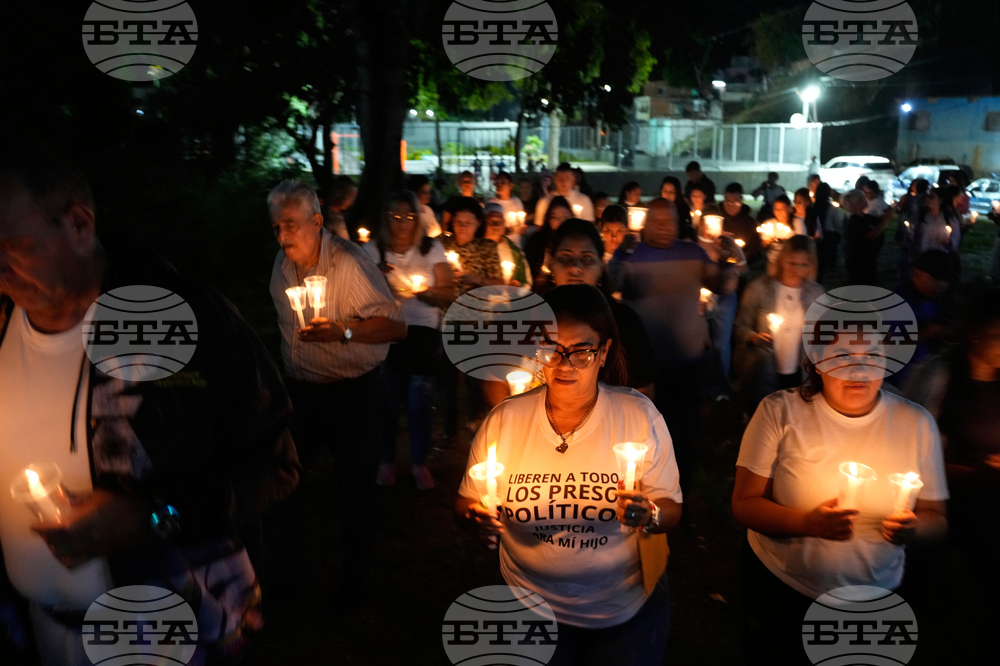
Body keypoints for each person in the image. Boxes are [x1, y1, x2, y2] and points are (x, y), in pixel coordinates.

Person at [0, 142, 300, 665]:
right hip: (37, 629)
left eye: (14, 245)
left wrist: (154, 516)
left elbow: (275, 466)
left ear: (78, 224)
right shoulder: (1, 324)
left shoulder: (184, 322)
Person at [454, 284, 682, 665]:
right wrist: (475, 516)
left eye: (582, 351)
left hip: (623, 613)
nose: (565, 364)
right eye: (552, 349)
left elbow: (670, 508)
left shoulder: (638, 416)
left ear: (604, 352)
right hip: (529, 610)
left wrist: (649, 515)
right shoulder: (506, 421)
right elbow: (465, 502)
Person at [732, 309, 949, 665]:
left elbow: (937, 519)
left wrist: (913, 528)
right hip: (784, 588)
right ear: (816, 361)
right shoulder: (779, 412)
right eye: (843, 356)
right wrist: (807, 524)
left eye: (873, 356)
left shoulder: (916, 424)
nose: (859, 370)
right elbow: (744, 503)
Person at [267, 179, 406, 602]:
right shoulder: (281, 265)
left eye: (291, 225)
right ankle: (286, 576)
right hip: (302, 395)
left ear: (316, 221)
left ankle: (355, 583)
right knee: (282, 483)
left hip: (353, 396)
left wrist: (344, 330)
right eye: (276, 226)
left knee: (353, 490)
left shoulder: (349, 264)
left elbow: (397, 327)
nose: (283, 234)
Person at [609, 198, 734, 491]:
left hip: (689, 363)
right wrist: (618, 255)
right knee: (642, 432)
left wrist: (727, 258)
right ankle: (643, 491)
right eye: (658, 221)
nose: (665, 227)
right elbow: (610, 285)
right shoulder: (631, 253)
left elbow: (723, 285)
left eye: (671, 221)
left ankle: (679, 493)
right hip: (643, 367)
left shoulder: (693, 253)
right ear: (646, 223)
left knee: (683, 431)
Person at [902, 288, 1000, 627]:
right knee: (915, 566)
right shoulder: (939, 378)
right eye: (998, 334)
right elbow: (908, 452)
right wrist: (975, 475)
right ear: (974, 334)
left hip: (989, 494)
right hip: (937, 498)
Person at [365, 191, 455, 490]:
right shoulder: (371, 250)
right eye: (396, 216)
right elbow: (357, 294)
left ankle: (419, 464)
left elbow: (448, 292)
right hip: (386, 332)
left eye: (409, 217)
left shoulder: (432, 250)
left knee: (419, 400)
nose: (403, 223)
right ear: (386, 218)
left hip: (423, 333)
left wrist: (424, 292)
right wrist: (375, 278)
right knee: (387, 402)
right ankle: (385, 462)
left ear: (418, 219)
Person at [550, 220, 656, 397]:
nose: (575, 268)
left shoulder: (624, 322)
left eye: (586, 259)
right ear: (551, 263)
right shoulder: (532, 318)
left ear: (601, 266)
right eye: (566, 257)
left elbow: (642, 393)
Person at [733, 235, 824, 415]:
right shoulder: (758, 288)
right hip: (763, 368)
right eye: (791, 262)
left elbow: (824, 336)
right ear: (782, 259)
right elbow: (740, 326)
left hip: (799, 372)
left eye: (803, 264)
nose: (796, 269)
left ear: (811, 265)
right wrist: (752, 336)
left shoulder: (816, 294)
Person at [695, 207, 748, 387]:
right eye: (709, 220)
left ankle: (720, 385)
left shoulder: (726, 243)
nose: (713, 225)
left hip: (725, 299)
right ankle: (700, 382)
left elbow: (742, 268)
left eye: (717, 220)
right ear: (701, 223)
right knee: (699, 341)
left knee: (721, 343)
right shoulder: (694, 244)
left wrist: (732, 247)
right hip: (699, 298)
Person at [440, 198, 503, 292]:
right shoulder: (442, 242)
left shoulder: (486, 247)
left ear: (478, 223)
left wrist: (477, 279)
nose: (462, 227)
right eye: (458, 222)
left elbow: (500, 286)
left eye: (468, 223)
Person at [524, 195, 573, 284]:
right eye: (555, 217)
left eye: (565, 217)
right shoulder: (537, 241)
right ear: (548, 219)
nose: (560, 222)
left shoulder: (577, 243)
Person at [482, 202, 531, 287]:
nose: (495, 226)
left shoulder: (515, 251)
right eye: (491, 221)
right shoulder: (475, 248)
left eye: (498, 221)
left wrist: (517, 286)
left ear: (504, 223)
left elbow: (526, 282)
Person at [843, 189, 883, 286]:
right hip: (860, 263)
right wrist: (888, 215)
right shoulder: (855, 221)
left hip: (868, 262)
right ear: (854, 204)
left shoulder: (865, 217)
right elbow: (872, 234)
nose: (865, 200)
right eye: (861, 199)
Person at [911, 187, 961, 259]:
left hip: (941, 257)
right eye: (927, 196)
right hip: (922, 256)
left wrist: (948, 242)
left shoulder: (949, 219)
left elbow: (956, 238)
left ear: (940, 200)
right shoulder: (922, 216)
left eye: (932, 197)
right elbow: (914, 234)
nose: (927, 199)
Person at [721, 183, 763, 263]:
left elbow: (755, 247)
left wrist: (743, 255)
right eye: (728, 202)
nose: (731, 206)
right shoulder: (718, 220)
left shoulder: (750, 222)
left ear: (741, 200)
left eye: (735, 202)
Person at [486, 171, 526, 245]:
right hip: (498, 245)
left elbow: (520, 223)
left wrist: (521, 228)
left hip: (515, 244)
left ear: (511, 186)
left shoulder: (516, 201)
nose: (499, 184)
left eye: (503, 182)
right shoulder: (492, 203)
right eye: (497, 182)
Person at [812, 182, 841, 283]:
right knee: (822, 267)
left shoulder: (812, 207)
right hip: (828, 237)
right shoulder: (833, 209)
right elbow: (838, 224)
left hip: (815, 236)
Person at [406, 174, 442, 238]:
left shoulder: (428, 209)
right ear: (415, 193)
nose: (428, 195)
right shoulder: (411, 213)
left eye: (428, 192)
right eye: (424, 192)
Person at [322, 175, 357, 239]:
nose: (352, 202)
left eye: (353, 199)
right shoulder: (324, 215)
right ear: (341, 195)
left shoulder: (344, 215)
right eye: (350, 198)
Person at [661, 175, 695, 240]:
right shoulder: (656, 208)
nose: (667, 194)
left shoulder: (683, 210)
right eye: (665, 191)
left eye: (672, 192)